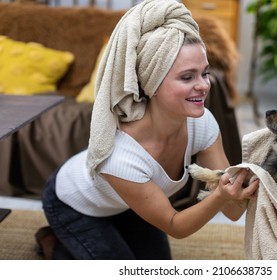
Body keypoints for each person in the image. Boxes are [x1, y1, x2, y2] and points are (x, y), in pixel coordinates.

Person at [35, 0, 259, 260]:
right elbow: (176, 225)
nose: (203, 86)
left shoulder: (203, 123)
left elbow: (233, 211)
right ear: (152, 83)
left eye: (205, 73)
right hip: (73, 204)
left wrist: (257, 179)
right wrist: (221, 193)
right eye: (187, 77)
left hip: (127, 205)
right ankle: (53, 243)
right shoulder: (121, 155)